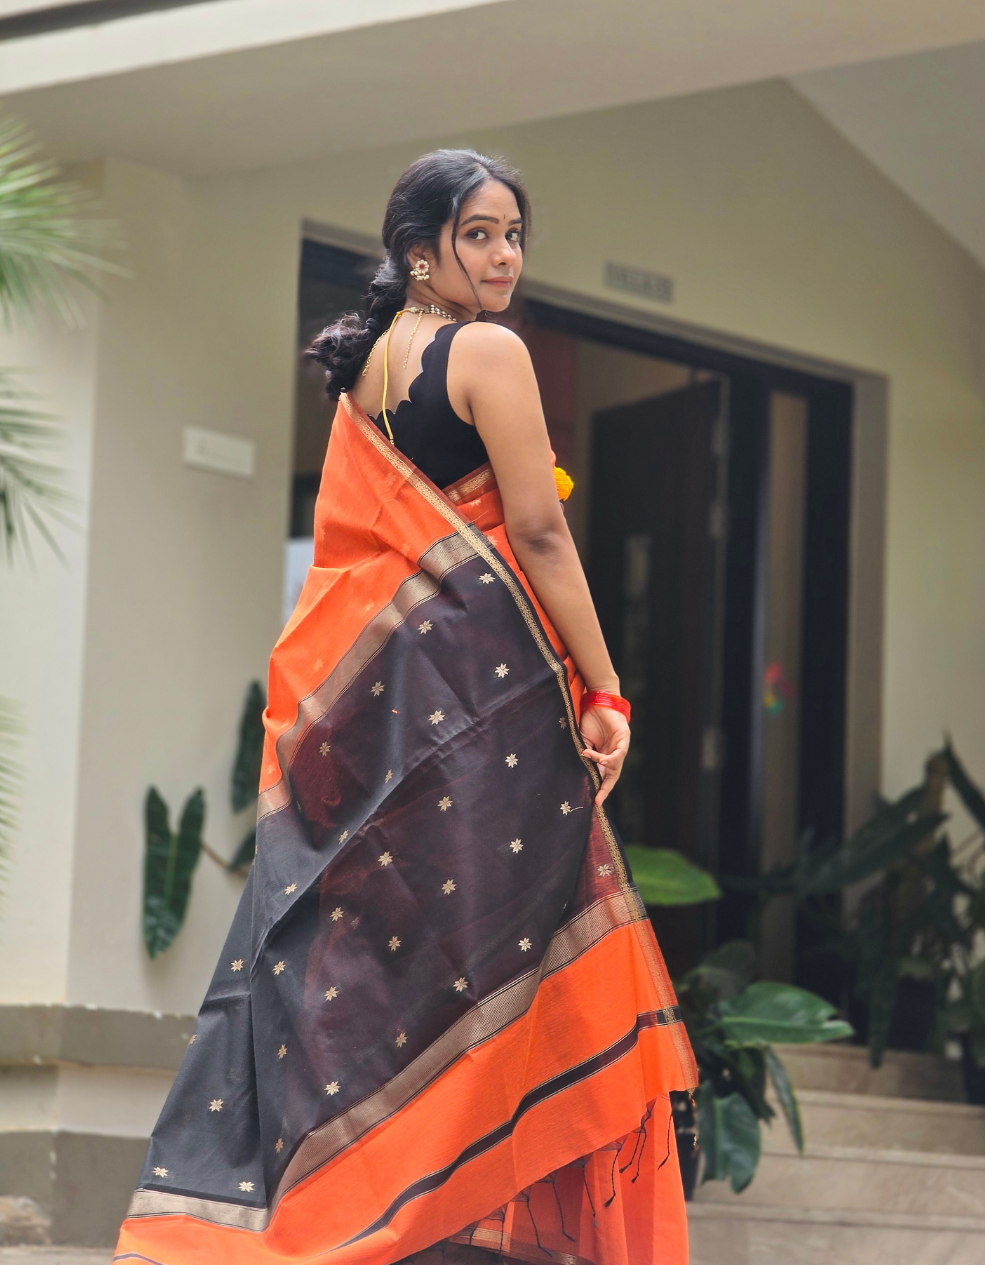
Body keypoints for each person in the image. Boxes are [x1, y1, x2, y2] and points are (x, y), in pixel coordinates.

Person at [114, 149, 696, 1265]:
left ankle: (367, 1212)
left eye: (514, 234)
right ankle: (440, 1218)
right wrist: (604, 684)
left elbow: (359, 559)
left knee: (393, 960)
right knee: (500, 944)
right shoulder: (489, 352)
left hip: (377, 708)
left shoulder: (366, 367)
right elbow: (539, 532)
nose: (505, 256)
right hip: (480, 699)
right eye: (479, 234)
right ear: (420, 251)